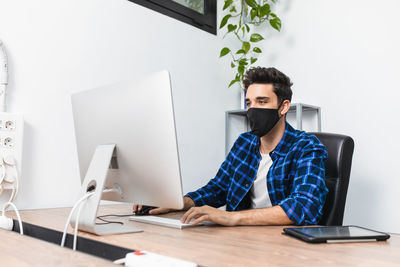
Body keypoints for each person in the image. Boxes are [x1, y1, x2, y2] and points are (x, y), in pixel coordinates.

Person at [133, 67, 328, 226]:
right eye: (249, 103)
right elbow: (218, 188)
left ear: (284, 107)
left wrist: (233, 217)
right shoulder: (244, 143)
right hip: (239, 240)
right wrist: (175, 203)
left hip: (284, 246)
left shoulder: (306, 147)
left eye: (262, 101)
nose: (252, 109)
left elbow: (304, 206)